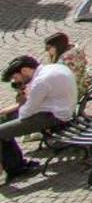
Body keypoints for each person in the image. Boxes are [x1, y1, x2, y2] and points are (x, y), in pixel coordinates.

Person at [0, 54, 76, 182]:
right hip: (59, 109)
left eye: (15, 77)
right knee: (5, 120)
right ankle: (15, 165)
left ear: (24, 70)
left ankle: (16, 168)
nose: (17, 81)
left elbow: (26, 112)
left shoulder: (41, 81)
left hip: (54, 117)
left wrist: (19, 105)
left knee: (1, 132)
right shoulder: (52, 68)